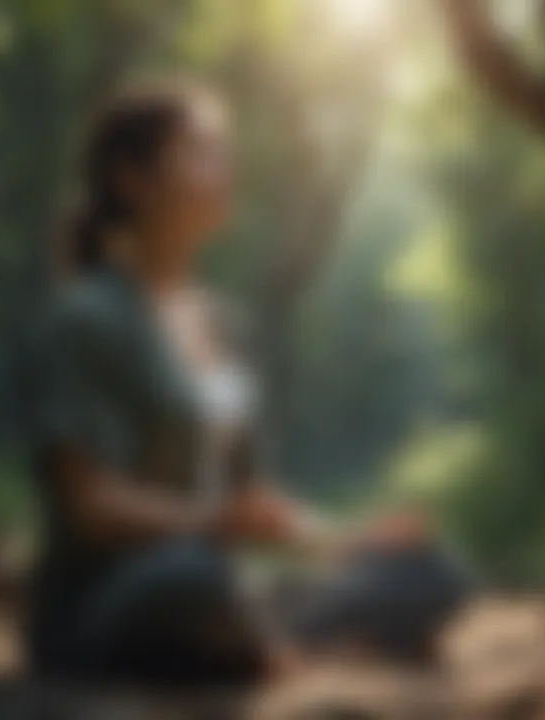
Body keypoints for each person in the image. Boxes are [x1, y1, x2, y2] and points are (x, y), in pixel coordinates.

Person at [23, 79, 462, 690]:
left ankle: (267, 643)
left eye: (223, 150)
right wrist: (209, 522)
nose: (224, 167)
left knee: (427, 571)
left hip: (218, 574)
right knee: (188, 581)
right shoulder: (89, 319)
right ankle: (279, 645)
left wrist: (347, 535)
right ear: (132, 178)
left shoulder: (224, 324)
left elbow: (248, 502)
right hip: (114, 599)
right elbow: (89, 504)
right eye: (200, 151)